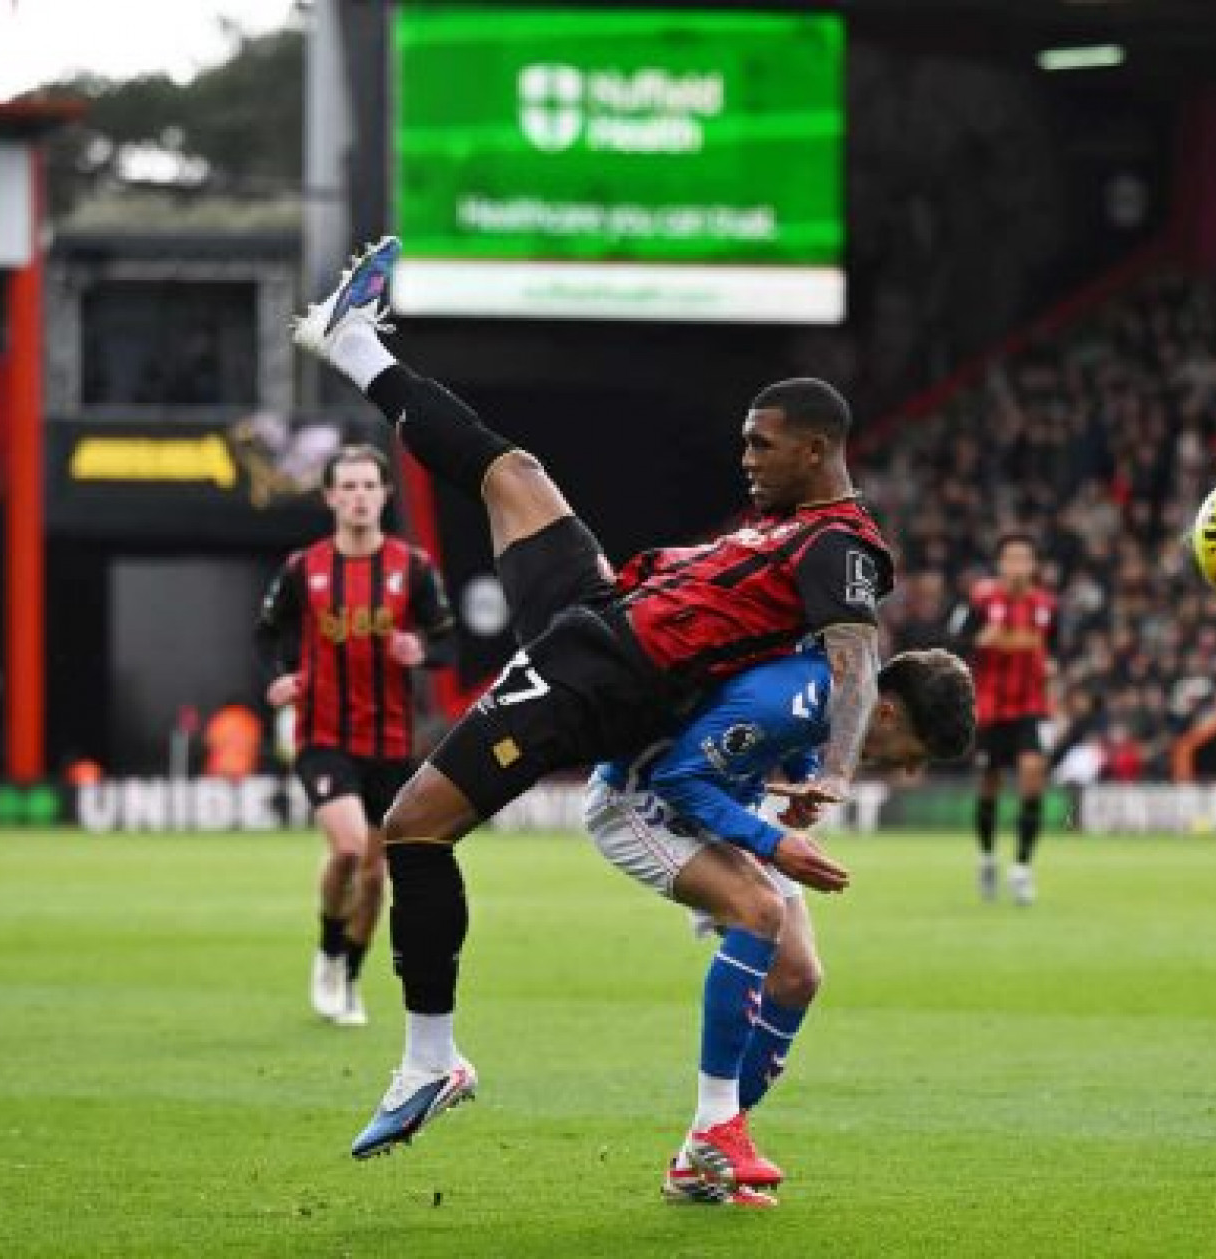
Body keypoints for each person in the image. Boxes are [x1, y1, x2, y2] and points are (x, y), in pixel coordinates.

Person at [291, 237, 896, 1159]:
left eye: (760, 445)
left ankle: (430, 1061)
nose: (744, 458)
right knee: (514, 472)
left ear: (817, 451)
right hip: (602, 611)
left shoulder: (840, 543)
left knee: (412, 826)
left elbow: (855, 657)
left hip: (609, 675)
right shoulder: (785, 525)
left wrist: (839, 774)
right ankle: (354, 344)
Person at [586, 644, 974, 1206]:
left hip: (719, 799)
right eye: (915, 753)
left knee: (797, 976)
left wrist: (804, 778)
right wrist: (773, 843)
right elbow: (677, 775)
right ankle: (716, 1133)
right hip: (638, 797)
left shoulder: (837, 699)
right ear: (886, 711)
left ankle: (700, 1161)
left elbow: (775, 745)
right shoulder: (789, 705)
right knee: (759, 910)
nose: (909, 768)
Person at [256, 444, 455, 1027]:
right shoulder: (305, 569)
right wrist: (280, 679)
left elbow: (447, 641)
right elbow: (267, 634)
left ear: (385, 494)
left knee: (374, 878)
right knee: (346, 847)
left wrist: (422, 649)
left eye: (370, 485)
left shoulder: (412, 568)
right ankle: (326, 948)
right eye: (348, 487)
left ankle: (349, 972)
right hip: (323, 733)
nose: (360, 496)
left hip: (391, 743)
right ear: (329, 497)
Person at [949, 532, 1057, 906]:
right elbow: (954, 644)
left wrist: (1053, 665)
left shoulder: (1045, 605)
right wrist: (978, 640)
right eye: (1010, 558)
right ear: (1000, 564)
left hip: (1029, 707)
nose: (1017, 566)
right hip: (990, 709)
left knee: (1032, 777)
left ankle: (1022, 869)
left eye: (1024, 559)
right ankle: (987, 858)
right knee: (989, 785)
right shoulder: (980, 601)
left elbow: (1055, 647)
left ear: (1033, 565)